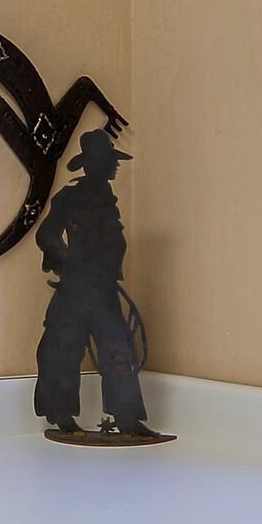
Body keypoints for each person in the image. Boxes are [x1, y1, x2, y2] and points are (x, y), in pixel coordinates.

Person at [33, 129, 160, 437]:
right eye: (111, 160)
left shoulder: (106, 201)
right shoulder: (70, 199)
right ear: (97, 163)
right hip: (76, 291)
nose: (116, 166)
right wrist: (67, 264)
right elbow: (46, 235)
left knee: (118, 348)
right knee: (64, 349)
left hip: (102, 289)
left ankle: (127, 418)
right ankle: (62, 416)